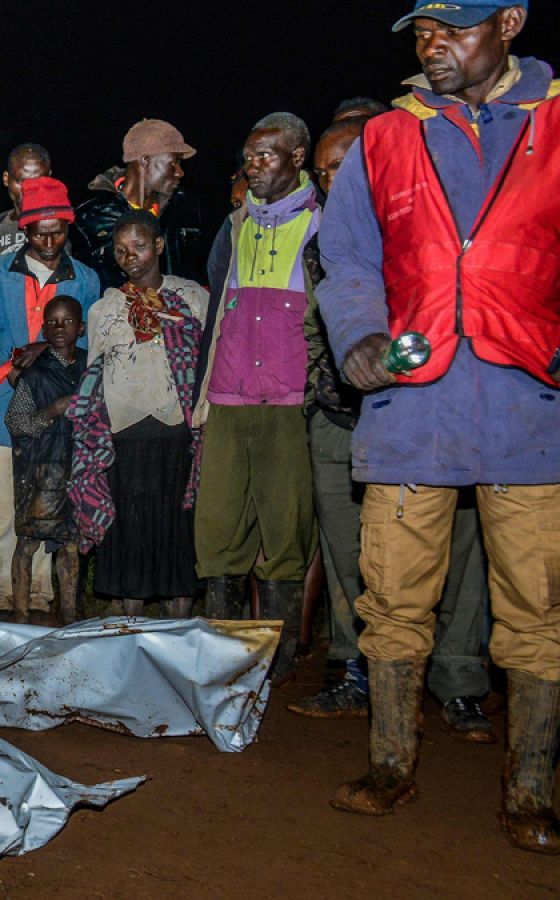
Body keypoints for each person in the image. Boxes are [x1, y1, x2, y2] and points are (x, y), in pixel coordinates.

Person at [321, 1, 560, 852]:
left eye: (453, 29)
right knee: (393, 592)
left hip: (528, 397)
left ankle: (531, 789)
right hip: (412, 399)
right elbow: (348, 253)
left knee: (539, 601)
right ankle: (391, 764)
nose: (433, 46)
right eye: (423, 33)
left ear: (510, 23)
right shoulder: (387, 137)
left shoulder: (555, 126)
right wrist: (359, 335)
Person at [291, 116, 493, 739]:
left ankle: (459, 681)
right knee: (349, 554)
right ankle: (357, 671)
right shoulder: (322, 243)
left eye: (344, 163)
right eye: (323, 171)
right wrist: (318, 402)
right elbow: (315, 332)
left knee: (458, 550)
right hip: (340, 419)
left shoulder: (430, 228)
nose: (333, 179)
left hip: (428, 416)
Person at [192, 113, 320, 681]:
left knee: (286, 528)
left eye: (267, 154)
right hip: (229, 392)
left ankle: (280, 656)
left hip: (289, 398)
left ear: (298, 157)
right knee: (218, 526)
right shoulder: (235, 225)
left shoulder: (322, 223)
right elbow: (218, 309)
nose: (254, 166)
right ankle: (225, 655)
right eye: (249, 157)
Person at [0, 177, 100, 620]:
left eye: (57, 232)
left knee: (48, 499)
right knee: (0, 505)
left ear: (67, 227)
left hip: (54, 412)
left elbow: (88, 342)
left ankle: (39, 592)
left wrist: (54, 369)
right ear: (24, 229)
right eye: (39, 233)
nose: (48, 241)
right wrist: (9, 370)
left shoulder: (85, 279)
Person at [68, 212, 207, 617]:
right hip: (123, 432)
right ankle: (131, 618)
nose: (130, 256)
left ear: (159, 245)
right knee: (128, 525)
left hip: (176, 428)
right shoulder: (105, 309)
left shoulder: (192, 298)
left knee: (176, 524)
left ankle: (179, 616)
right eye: (121, 250)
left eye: (139, 246)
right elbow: (95, 374)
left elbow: (206, 363)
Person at [4, 296, 86, 625]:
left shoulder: (89, 367)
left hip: (77, 469)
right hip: (41, 470)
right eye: (52, 322)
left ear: (81, 328)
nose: (59, 327)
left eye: (67, 321)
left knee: (71, 543)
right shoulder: (35, 374)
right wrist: (53, 411)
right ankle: (20, 613)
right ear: (43, 328)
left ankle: (69, 613)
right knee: (28, 541)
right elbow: (15, 422)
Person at [72, 119, 209, 292]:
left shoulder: (184, 206)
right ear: (145, 160)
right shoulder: (92, 216)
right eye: (174, 163)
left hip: (180, 307)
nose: (180, 172)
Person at [0, 144, 52, 259]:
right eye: (21, 182)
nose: (29, 190)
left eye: (38, 182)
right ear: (6, 178)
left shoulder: (64, 225)